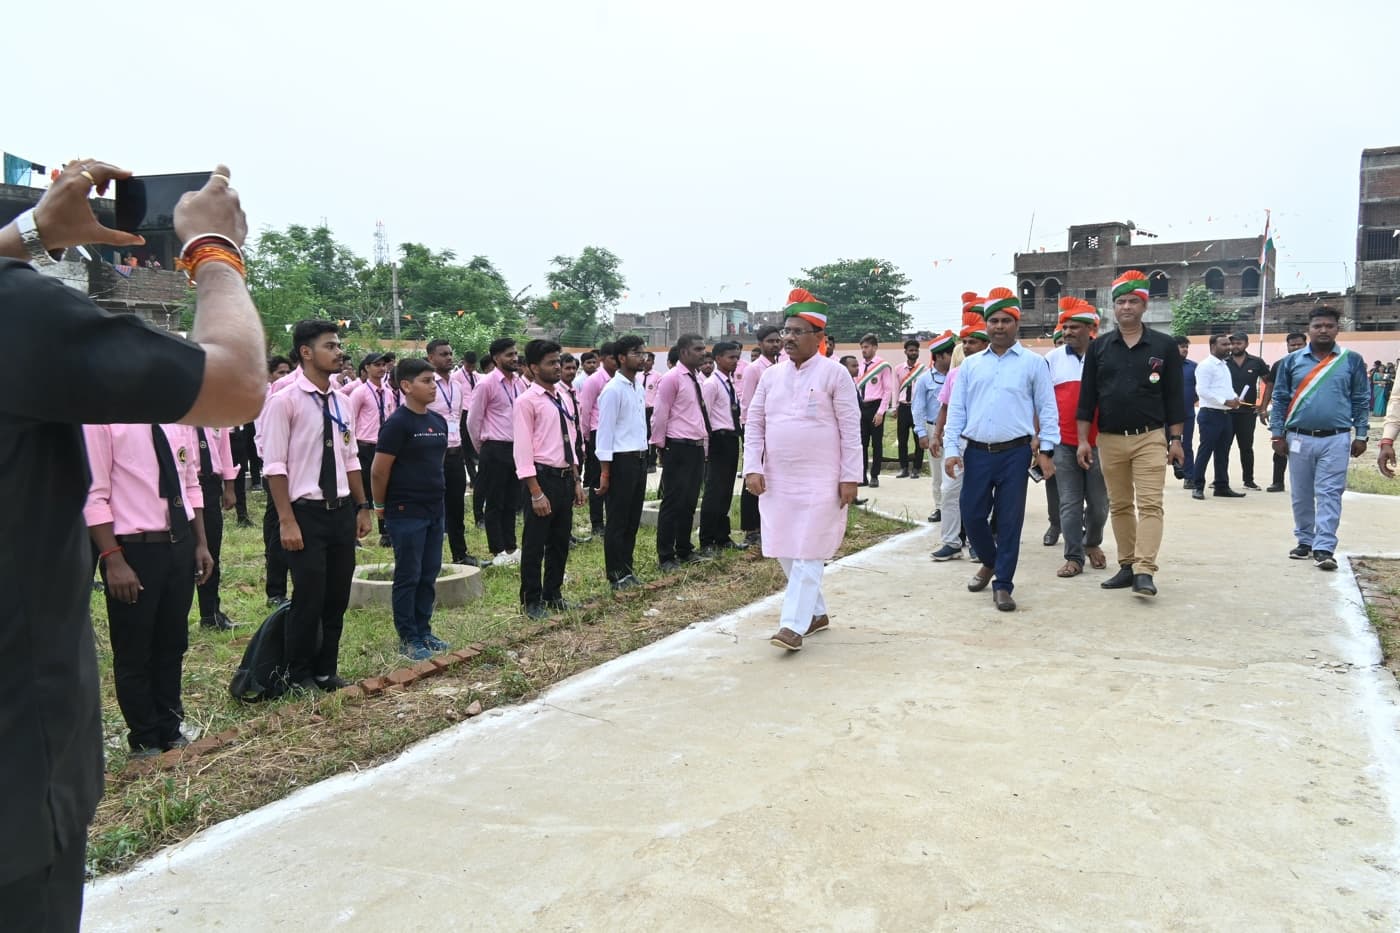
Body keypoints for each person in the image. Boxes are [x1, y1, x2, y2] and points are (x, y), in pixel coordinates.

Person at [0, 159, 263, 931]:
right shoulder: (17, 317)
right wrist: (212, 249)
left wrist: (28, 234)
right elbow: (238, 382)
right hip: (16, 771)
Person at [86, 420, 215, 758]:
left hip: (179, 545)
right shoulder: (103, 420)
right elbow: (94, 495)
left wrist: (200, 543)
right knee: (134, 649)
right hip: (134, 550)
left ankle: (170, 728)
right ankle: (144, 737)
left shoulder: (178, 418)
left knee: (172, 643)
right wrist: (113, 559)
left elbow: (190, 486)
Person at [744, 290, 861, 650]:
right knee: (783, 545)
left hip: (821, 479)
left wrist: (849, 476)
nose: (788, 338)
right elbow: (755, 422)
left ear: (818, 338)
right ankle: (817, 613)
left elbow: (850, 427)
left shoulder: (835, 374)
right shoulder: (771, 376)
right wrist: (752, 466)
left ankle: (793, 626)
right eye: (786, 330)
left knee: (809, 549)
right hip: (778, 477)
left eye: (797, 331)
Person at [262, 320, 374, 693]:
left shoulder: (342, 402)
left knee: (336, 596)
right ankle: (298, 674)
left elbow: (351, 457)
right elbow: (274, 466)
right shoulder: (285, 401)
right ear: (306, 352)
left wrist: (362, 506)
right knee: (308, 598)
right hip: (305, 512)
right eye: (330, 346)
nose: (339, 352)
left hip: (340, 511)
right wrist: (286, 521)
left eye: (339, 345)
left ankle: (327, 670)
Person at [944, 287, 1058, 611]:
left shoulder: (1034, 364)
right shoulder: (970, 365)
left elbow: (1047, 409)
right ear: (985, 325)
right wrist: (952, 448)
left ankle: (1003, 584)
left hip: (1015, 453)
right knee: (972, 514)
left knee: (1009, 520)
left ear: (1016, 323)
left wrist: (1046, 450)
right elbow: (957, 411)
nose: (998, 326)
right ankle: (991, 561)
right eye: (993, 320)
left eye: (1005, 320)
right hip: (976, 452)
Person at [1075, 271, 1185, 598]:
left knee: (1150, 504)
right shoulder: (1100, 348)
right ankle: (1126, 565)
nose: (1126, 307)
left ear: (1144, 306)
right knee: (1120, 505)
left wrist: (1175, 440)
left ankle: (1144, 570)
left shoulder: (1164, 346)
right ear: (1113, 308)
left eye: (1133, 301)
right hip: (1108, 439)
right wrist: (1083, 440)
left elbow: (1174, 398)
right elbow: (1087, 399)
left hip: (1150, 437)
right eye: (1120, 301)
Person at [1269, 306, 1369, 571]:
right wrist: (1277, 434)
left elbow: (1360, 399)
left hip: (1336, 438)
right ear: (1308, 330)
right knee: (1301, 493)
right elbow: (1279, 399)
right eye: (1318, 326)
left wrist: (1361, 434)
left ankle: (1324, 547)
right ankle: (1305, 540)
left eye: (1329, 325)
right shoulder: (1291, 362)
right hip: (1299, 437)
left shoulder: (1351, 360)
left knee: (1330, 493)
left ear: (1338, 329)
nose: (1323, 330)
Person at [371, 358, 451, 659]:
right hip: (406, 510)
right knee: (409, 573)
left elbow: (436, 464)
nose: (434, 386)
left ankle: (424, 629)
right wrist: (380, 506)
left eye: (434, 380)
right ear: (406, 385)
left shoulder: (438, 421)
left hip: (434, 508)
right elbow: (379, 471)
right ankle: (408, 637)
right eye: (426, 380)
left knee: (429, 572)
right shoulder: (397, 424)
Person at [513, 340, 584, 618]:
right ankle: (531, 600)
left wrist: (577, 479)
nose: (556, 367)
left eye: (558, 362)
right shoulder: (526, 401)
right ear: (533, 367)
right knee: (535, 542)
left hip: (565, 477)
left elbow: (572, 440)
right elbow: (523, 450)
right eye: (550, 363)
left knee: (560, 540)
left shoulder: (563, 396)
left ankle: (553, 593)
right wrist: (535, 491)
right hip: (542, 478)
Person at [1046, 298, 1107, 578]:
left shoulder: (1105, 356)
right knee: (1069, 503)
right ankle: (1073, 556)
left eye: (1074, 327)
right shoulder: (1052, 360)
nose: (1067, 332)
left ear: (1090, 328)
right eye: (1065, 327)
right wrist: (1041, 440)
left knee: (1099, 504)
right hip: (1064, 443)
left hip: (1101, 443)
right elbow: (1042, 402)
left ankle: (1092, 542)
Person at [929, 301, 989, 562]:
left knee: (981, 495)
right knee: (950, 492)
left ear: (986, 344)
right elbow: (945, 407)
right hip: (957, 443)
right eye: (964, 341)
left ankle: (979, 544)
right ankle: (951, 543)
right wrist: (936, 434)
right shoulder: (954, 375)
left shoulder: (993, 372)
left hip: (984, 443)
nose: (967, 346)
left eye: (973, 341)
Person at [651, 333, 711, 571]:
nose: (702, 354)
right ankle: (666, 555)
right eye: (697, 349)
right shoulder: (671, 378)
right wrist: (660, 445)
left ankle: (684, 549)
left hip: (696, 446)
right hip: (677, 445)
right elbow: (660, 414)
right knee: (673, 502)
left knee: (689, 500)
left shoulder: (696, 378)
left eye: (703, 349)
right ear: (684, 351)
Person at [595, 336, 649, 589]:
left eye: (644, 353)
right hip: (621, 460)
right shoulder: (612, 390)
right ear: (621, 358)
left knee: (632, 517)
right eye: (636, 353)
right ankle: (615, 573)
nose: (642, 357)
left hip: (639, 457)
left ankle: (627, 568)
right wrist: (605, 472)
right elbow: (604, 434)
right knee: (617, 519)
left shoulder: (638, 386)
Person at [466, 337, 524, 565]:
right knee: (495, 501)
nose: (514, 358)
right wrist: (484, 448)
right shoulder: (486, 383)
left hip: (516, 448)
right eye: (509, 355)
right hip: (494, 448)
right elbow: (473, 420)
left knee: (512, 500)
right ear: (496, 358)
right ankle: (497, 549)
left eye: (515, 354)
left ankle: (511, 547)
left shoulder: (519, 383)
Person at [426, 340, 481, 567]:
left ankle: (461, 554)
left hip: (455, 453)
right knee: (433, 507)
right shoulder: (427, 385)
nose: (448, 358)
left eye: (450, 353)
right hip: (432, 455)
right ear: (430, 358)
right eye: (442, 354)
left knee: (456, 505)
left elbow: (457, 419)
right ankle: (431, 558)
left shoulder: (457, 387)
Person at [699, 340, 747, 554]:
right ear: (718, 358)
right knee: (714, 491)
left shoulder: (728, 383)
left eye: (737, 357)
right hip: (718, 438)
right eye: (731, 357)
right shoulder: (711, 384)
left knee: (726, 489)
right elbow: (705, 417)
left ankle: (722, 535)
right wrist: (707, 449)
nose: (735, 361)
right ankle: (707, 539)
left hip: (730, 439)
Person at [193, 423, 241, 629]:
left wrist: (229, 486)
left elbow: (225, 450)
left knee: (212, 552)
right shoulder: (176, 413)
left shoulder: (214, 412)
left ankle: (210, 613)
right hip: (184, 483)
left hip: (210, 485)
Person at [739, 324, 782, 546]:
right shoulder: (754, 369)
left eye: (777, 340)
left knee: (773, 477)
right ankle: (750, 529)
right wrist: (751, 434)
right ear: (760, 344)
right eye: (770, 341)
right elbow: (746, 404)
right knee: (754, 474)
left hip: (778, 429)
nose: (775, 344)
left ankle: (770, 524)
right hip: (758, 430)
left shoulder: (785, 366)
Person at [349, 352, 398, 547]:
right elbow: (350, 420)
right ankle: (354, 535)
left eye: (383, 365)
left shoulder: (388, 392)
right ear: (367, 368)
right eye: (376, 365)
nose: (381, 368)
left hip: (383, 446)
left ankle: (385, 532)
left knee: (384, 488)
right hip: (364, 446)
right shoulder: (359, 392)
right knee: (359, 489)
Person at [1189, 333, 1244, 500]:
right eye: (1225, 345)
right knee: (1205, 451)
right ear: (1213, 346)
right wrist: (1224, 401)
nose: (1229, 347)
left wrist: (1234, 398)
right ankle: (1197, 486)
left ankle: (1221, 485)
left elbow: (1226, 388)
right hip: (1210, 414)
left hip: (1225, 415)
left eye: (1229, 344)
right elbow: (1202, 391)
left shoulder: (1223, 365)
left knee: (1223, 452)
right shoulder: (1206, 366)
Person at [912, 330, 955, 523]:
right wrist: (922, 433)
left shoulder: (958, 374)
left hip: (954, 429)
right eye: (950, 354)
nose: (954, 358)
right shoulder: (924, 379)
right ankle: (939, 507)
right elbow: (918, 408)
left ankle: (955, 506)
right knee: (937, 471)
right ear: (939, 356)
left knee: (957, 470)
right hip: (932, 430)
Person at [578, 341, 618, 537]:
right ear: (602, 359)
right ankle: (597, 523)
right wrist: (586, 437)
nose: (617, 361)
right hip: (596, 433)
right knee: (596, 480)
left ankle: (612, 517)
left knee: (614, 478)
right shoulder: (594, 381)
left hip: (616, 435)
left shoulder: (621, 379)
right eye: (612, 357)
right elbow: (585, 411)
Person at [1259, 332, 1308, 492]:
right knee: (1279, 446)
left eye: (1298, 344)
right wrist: (1263, 408)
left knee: (1299, 451)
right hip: (1283, 414)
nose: (1295, 348)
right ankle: (1277, 482)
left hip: (1304, 415)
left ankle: (1301, 485)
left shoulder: (1315, 364)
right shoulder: (1279, 365)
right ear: (1287, 346)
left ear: (1305, 344)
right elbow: (1270, 387)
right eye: (1292, 345)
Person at [1226, 332, 1270, 490]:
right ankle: (1221, 479)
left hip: (1247, 412)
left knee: (1246, 447)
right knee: (1223, 447)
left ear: (1246, 344)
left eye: (1239, 343)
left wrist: (1263, 405)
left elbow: (1269, 383)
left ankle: (1248, 480)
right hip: (1226, 412)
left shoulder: (1257, 362)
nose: (1235, 346)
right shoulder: (1223, 362)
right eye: (1232, 343)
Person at [855, 333, 895, 487]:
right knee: (861, 444)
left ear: (874, 347)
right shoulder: (858, 365)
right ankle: (862, 476)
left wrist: (881, 412)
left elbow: (887, 390)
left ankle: (874, 476)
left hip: (875, 407)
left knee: (876, 444)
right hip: (861, 407)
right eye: (862, 348)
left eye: (866, 347)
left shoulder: (882, 366)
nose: (864, 350)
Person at [452, 351, 484, 528]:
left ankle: (475, 475)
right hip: (463, 414)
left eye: (473, 366)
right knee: (466, 448)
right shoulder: (456, 377)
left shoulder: (479, 377)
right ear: (464, 362)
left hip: (476, 411)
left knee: (474, 446)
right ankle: (472, 475)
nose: (471, 368)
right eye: (468, 365)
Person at [893, 338, 926, 479]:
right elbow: (895, 389)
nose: (913, 352)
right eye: (911, 350)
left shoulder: (924, 369)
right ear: (905, 352)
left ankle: (916, 468)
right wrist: (895, 407)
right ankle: (904, 468)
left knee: (919, 438)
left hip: (917, 408)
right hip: (903, 407)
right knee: (902, 439)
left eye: (916, 350)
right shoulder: (898, 369)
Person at [1174, 336, 1197, 486]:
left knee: (1187, 445)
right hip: (1166, 415)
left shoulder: (1194, 367)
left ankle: (1189, 476)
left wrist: (1191, 400)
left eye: (1186, 347)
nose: (1185, 349)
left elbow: (1200, 388)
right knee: (1161, 444)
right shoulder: (1163, 366)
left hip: (1187, 413)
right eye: (1182, 346)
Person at [639, 351, 660, 471]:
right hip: (639, 410)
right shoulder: (638, 376)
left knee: (651, 436)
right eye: (645, 359)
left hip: (651, 410)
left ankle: (651, 463)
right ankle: (643, 461)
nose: (646, 362)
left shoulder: (657, 376)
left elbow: (659, 394)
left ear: (653, 362)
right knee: (641, 435)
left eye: (649, 360)